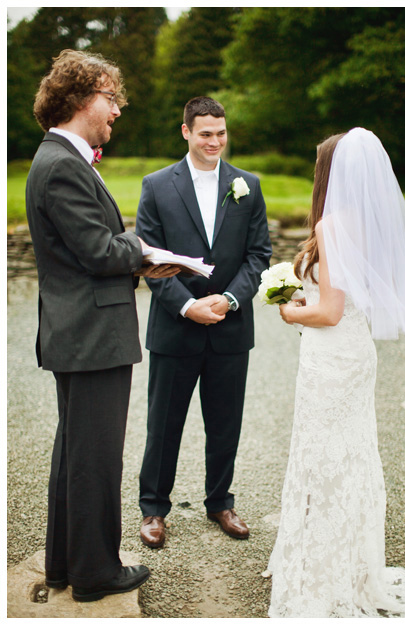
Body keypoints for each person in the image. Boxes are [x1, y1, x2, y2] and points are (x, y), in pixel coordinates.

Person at [26, 49, 179, 602]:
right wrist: (139, 248)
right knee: (94, 456)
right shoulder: (63, 164)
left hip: (82, 332)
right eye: (111, 99)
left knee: (76, 453)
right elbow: (95, 250)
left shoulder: (59, 158)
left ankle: (68, 565)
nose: (116, 111)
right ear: (81, 98)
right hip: (91, 336)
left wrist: (134, 255)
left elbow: (85, 249)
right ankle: (96, 574)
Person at [266, 128, 405, 617]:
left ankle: (323, 572)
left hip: (331, 355)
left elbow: (327, 312)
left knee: (322, 456)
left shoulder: (331, 226)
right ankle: (354, 566)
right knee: (350, 457)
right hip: (356, 352)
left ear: (329, 173)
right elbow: (350, 301)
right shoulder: (374, 224)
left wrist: (290, 311)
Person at [135, 96, 272, 548]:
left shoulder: (247, 185)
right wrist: (187, 306)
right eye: (206, 133)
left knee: (225, 422)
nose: (215, 141)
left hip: (231, 328)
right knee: (164, 424)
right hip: (176, 327)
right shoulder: (157, 185)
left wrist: (231, 299)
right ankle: (153, 510)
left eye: (221, 133)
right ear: (186, 132)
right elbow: (149, 256)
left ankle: (221, 503)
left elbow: (259, 255)